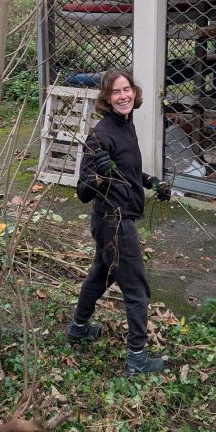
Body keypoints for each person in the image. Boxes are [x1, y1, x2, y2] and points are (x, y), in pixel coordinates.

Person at [67, 69, 171, 375]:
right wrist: (99, 176)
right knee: (137, 291)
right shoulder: (100, 136)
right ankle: (137, 358)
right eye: (116, 92)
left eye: (126, 89)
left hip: (113, 219)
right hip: (113, 222)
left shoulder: (126, 124)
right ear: (106, 98)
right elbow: (83, 191)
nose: (123, 96)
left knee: (101, 275)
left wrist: (151, 181)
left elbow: (126, 171)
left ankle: (78, 328)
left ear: (134, 92)